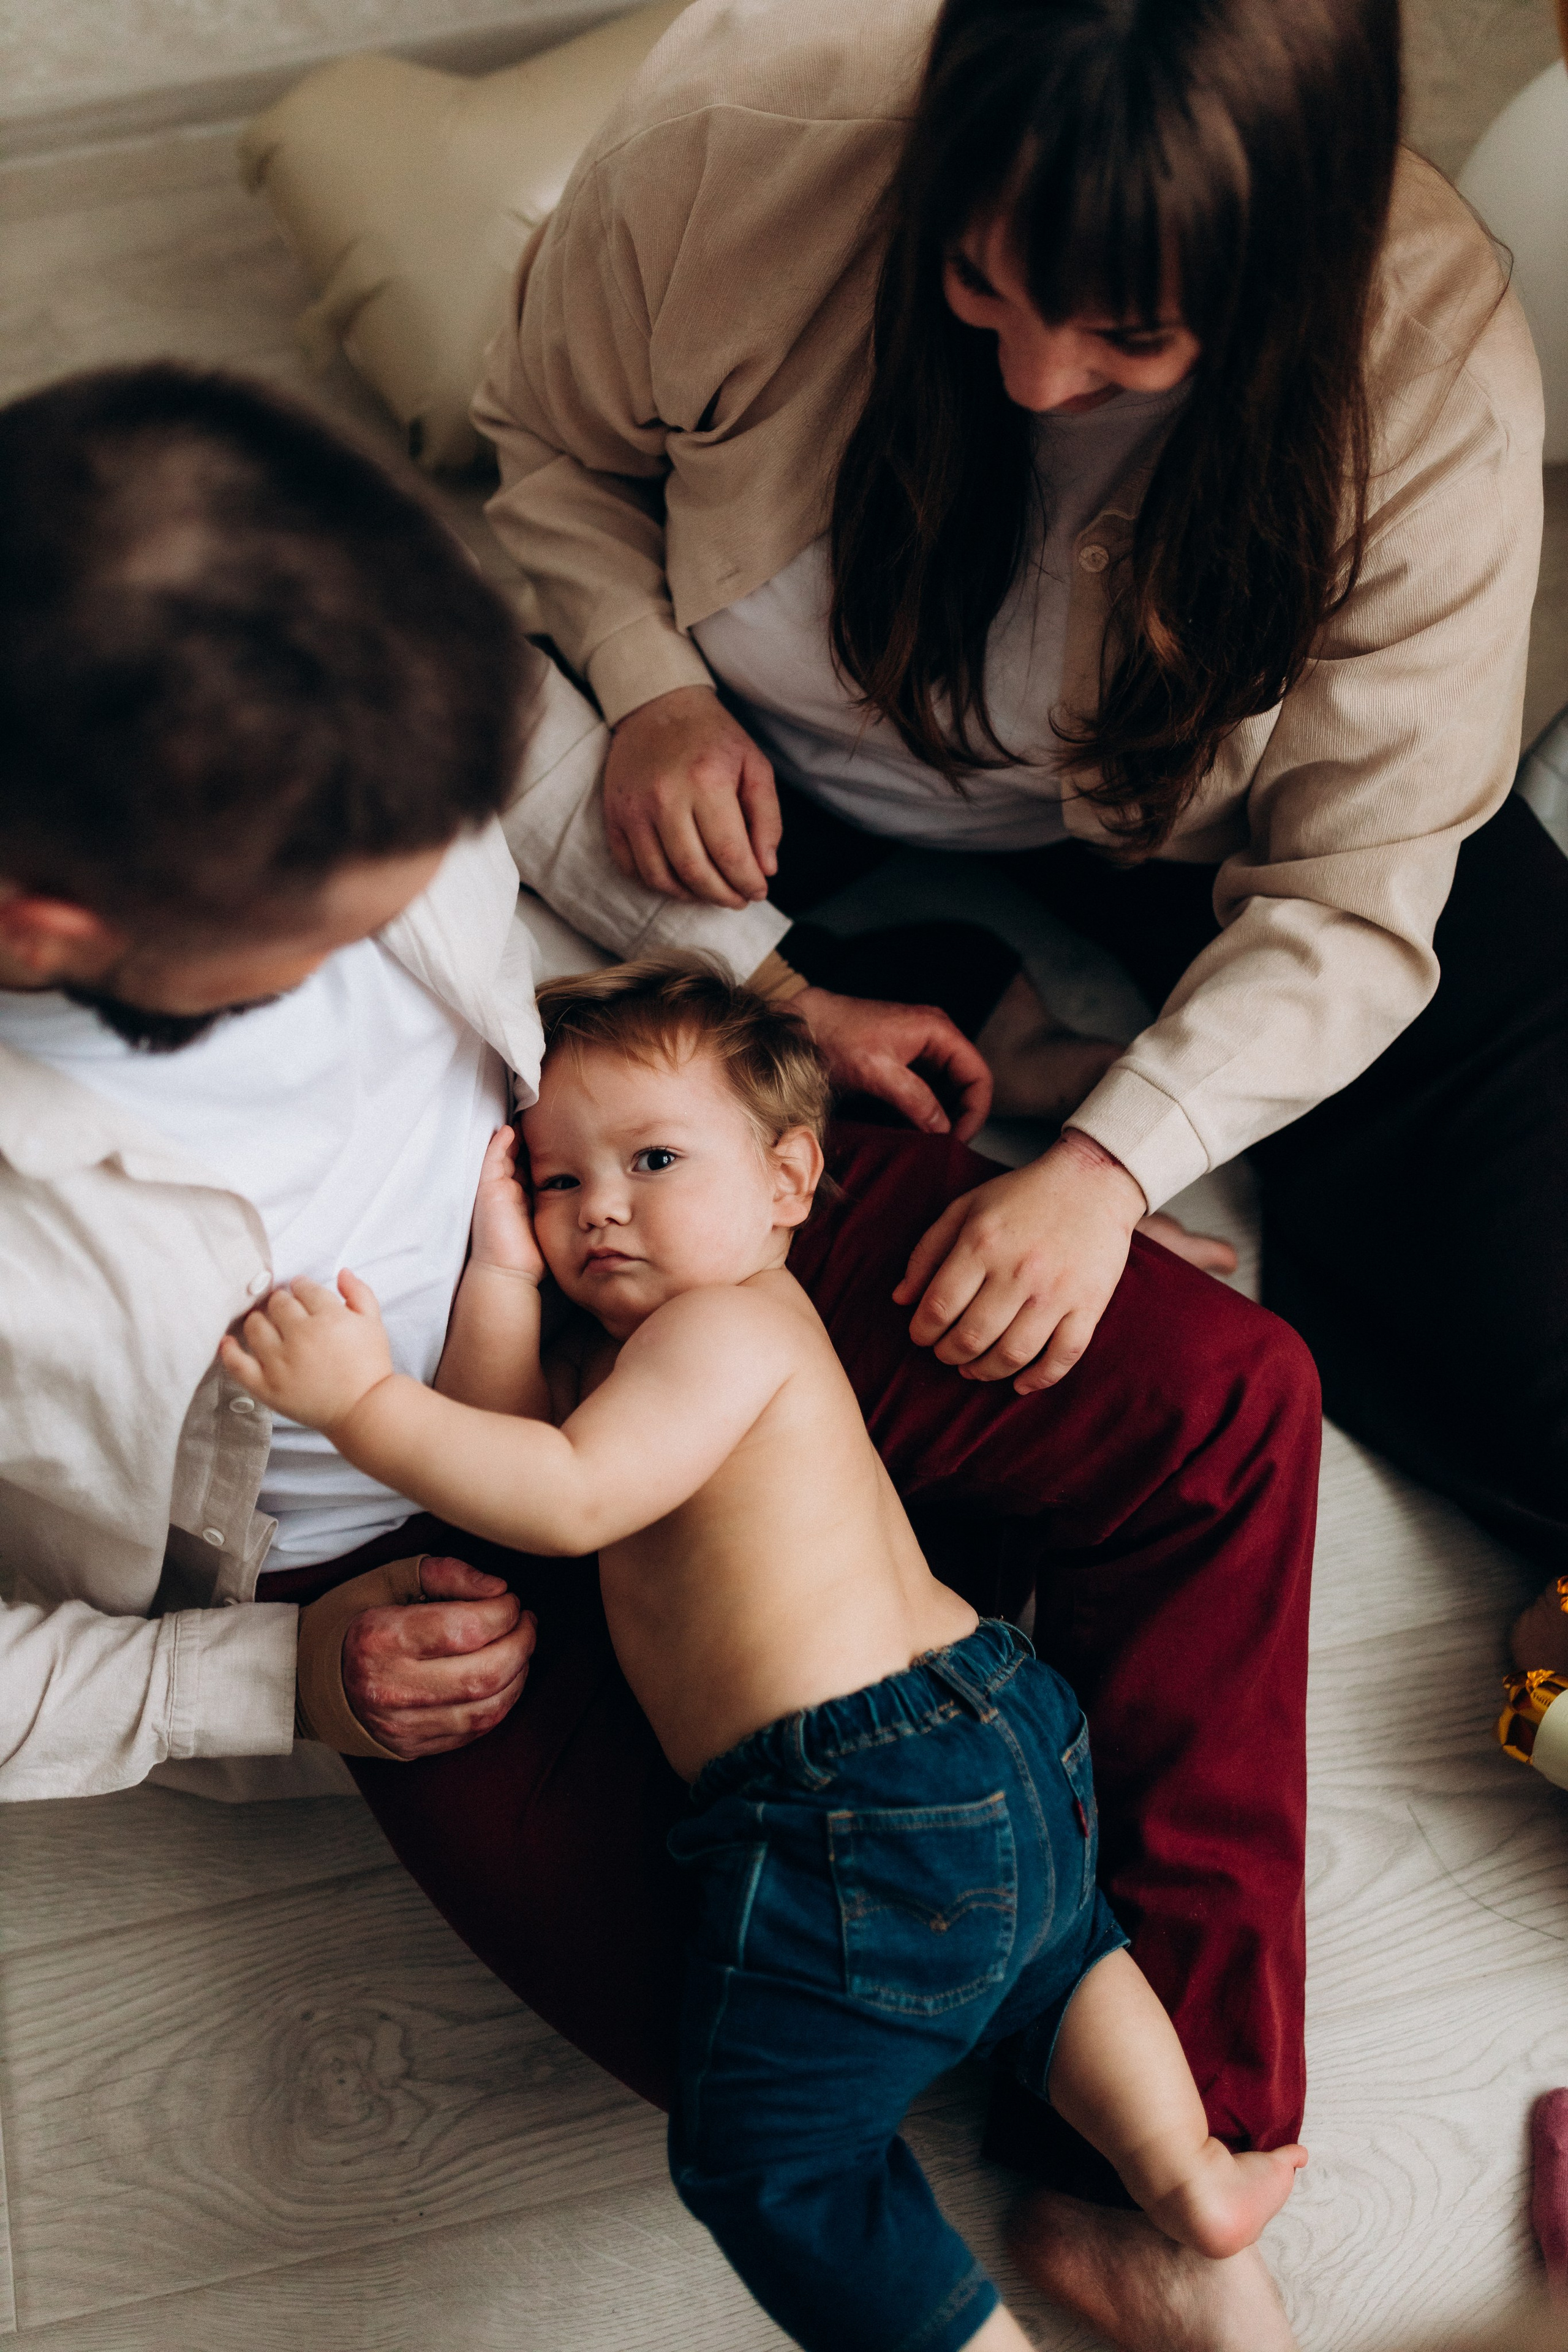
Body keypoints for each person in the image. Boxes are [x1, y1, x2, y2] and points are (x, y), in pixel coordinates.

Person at [0, 359, 1317, 2352]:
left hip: (658, 1213)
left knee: (1218, 1399)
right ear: (45, 925)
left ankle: (1162, 2186)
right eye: (325, 938)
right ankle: (1010, 1800)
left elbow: (527, 764)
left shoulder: (287, 588)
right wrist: (257, 1677)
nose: (422, 926)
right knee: (745, 2026)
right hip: (382, 1547)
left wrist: (762, 990)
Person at [478, 0, 1562, 1607]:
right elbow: (552, 450)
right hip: (743, 750)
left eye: (1129, 336)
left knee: (1532, 1290)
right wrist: (649, 684)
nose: (1040, 381)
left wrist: (1112, 1167)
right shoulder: (736, 134)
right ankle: (901, 1003)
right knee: (484, 1056)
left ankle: (981, 1027)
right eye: (978, 280)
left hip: (1192, 820)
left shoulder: (1433, 378)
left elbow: (1355, 889)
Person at [220, 957, 1310, 2352]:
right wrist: (500, 1265)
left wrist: (360, 1400)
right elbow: (503, 1452)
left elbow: (562, 1496)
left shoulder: (722, 1328)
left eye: (653, 1160)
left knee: (767, 2163)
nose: (598, 1206)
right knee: (1058, 1962)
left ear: (791, 1181)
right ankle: (1185, 2174)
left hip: (855, 1793)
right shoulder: (637, 1352)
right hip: (989, 1739)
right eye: (556, 1179)